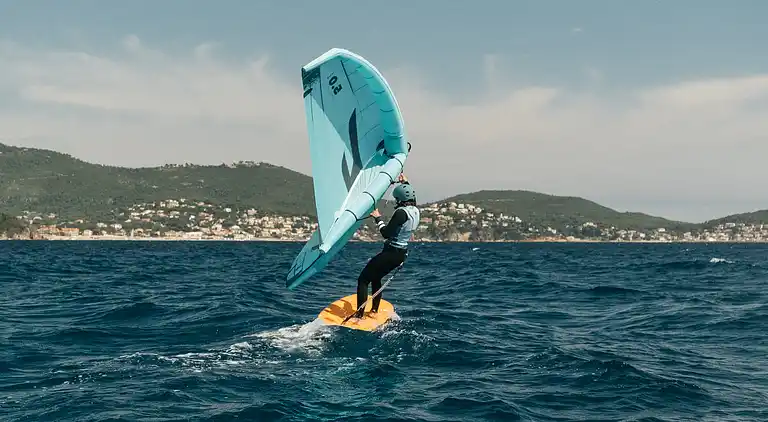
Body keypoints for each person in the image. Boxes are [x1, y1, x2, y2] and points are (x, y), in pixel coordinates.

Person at [351, 173, 420, 320]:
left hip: (391, 254)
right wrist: (406, 182)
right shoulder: (415, 210)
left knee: (363, 280)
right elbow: (410, 197)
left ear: (400, 199)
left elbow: (386, 234)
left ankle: (359, 315)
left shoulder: (401, 213)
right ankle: (374, 310)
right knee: (376, 277)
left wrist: (378, 218)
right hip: (400, 254)